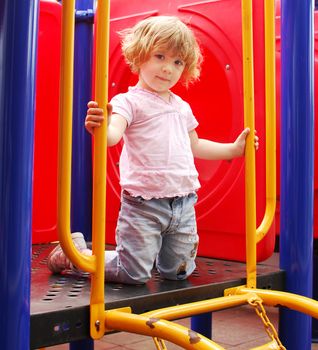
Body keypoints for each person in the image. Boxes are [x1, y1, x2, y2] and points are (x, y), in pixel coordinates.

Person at [48, 15, 259, 284]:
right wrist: (101, 130)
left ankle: (149, 253)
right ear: (138, 56)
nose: (168, 69)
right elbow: (114, 135)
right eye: (160, 56)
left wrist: (233, 149)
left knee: (178, 272)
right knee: (133, 274)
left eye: (177, 62)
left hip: (183, 203)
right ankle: (77, 254)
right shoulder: (129, 102)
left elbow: (195, 144)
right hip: (144, 205)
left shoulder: (181, 106)